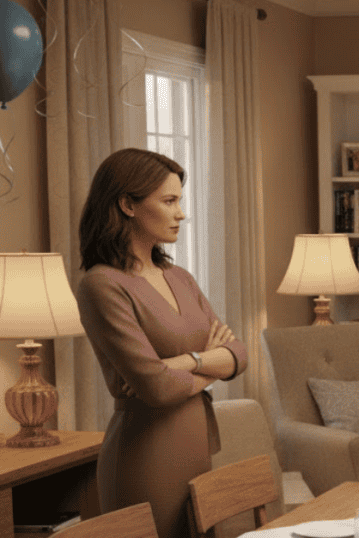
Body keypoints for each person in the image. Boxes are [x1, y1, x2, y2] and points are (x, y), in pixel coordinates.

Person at [76, 148, 248, 538]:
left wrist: (183, 362)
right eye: (169, 201)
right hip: (144, 457)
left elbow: (239, 353)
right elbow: (155, 387)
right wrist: (208, 363)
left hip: (196, 445)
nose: (181, 213)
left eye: (180, 201)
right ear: (127, 205)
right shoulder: (102, 285)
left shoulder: (180, 277)